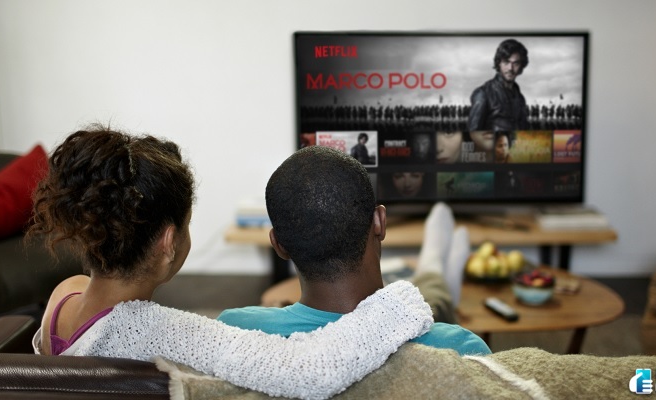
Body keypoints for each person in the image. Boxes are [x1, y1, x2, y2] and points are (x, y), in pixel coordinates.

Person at [28, 126, 435, 399]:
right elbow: (311, 370)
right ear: (168, 242)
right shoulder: (159, 332)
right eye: (186, 225)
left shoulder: (64, 297)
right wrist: (401, 301)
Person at [218, 146, 491, 356]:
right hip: (406, 323)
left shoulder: (231, 332)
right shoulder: (461, 349)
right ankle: (434, 268)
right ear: (379, 222)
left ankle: (435, 270)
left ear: (278, 244)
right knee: (430, 301)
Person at [467, 39, 530, 132]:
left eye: (515, 63)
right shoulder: (483, 94)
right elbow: (472, 135)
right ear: (498, 63)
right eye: (506, 62)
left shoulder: (520, 98)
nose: (510, 68)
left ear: (521, 66)